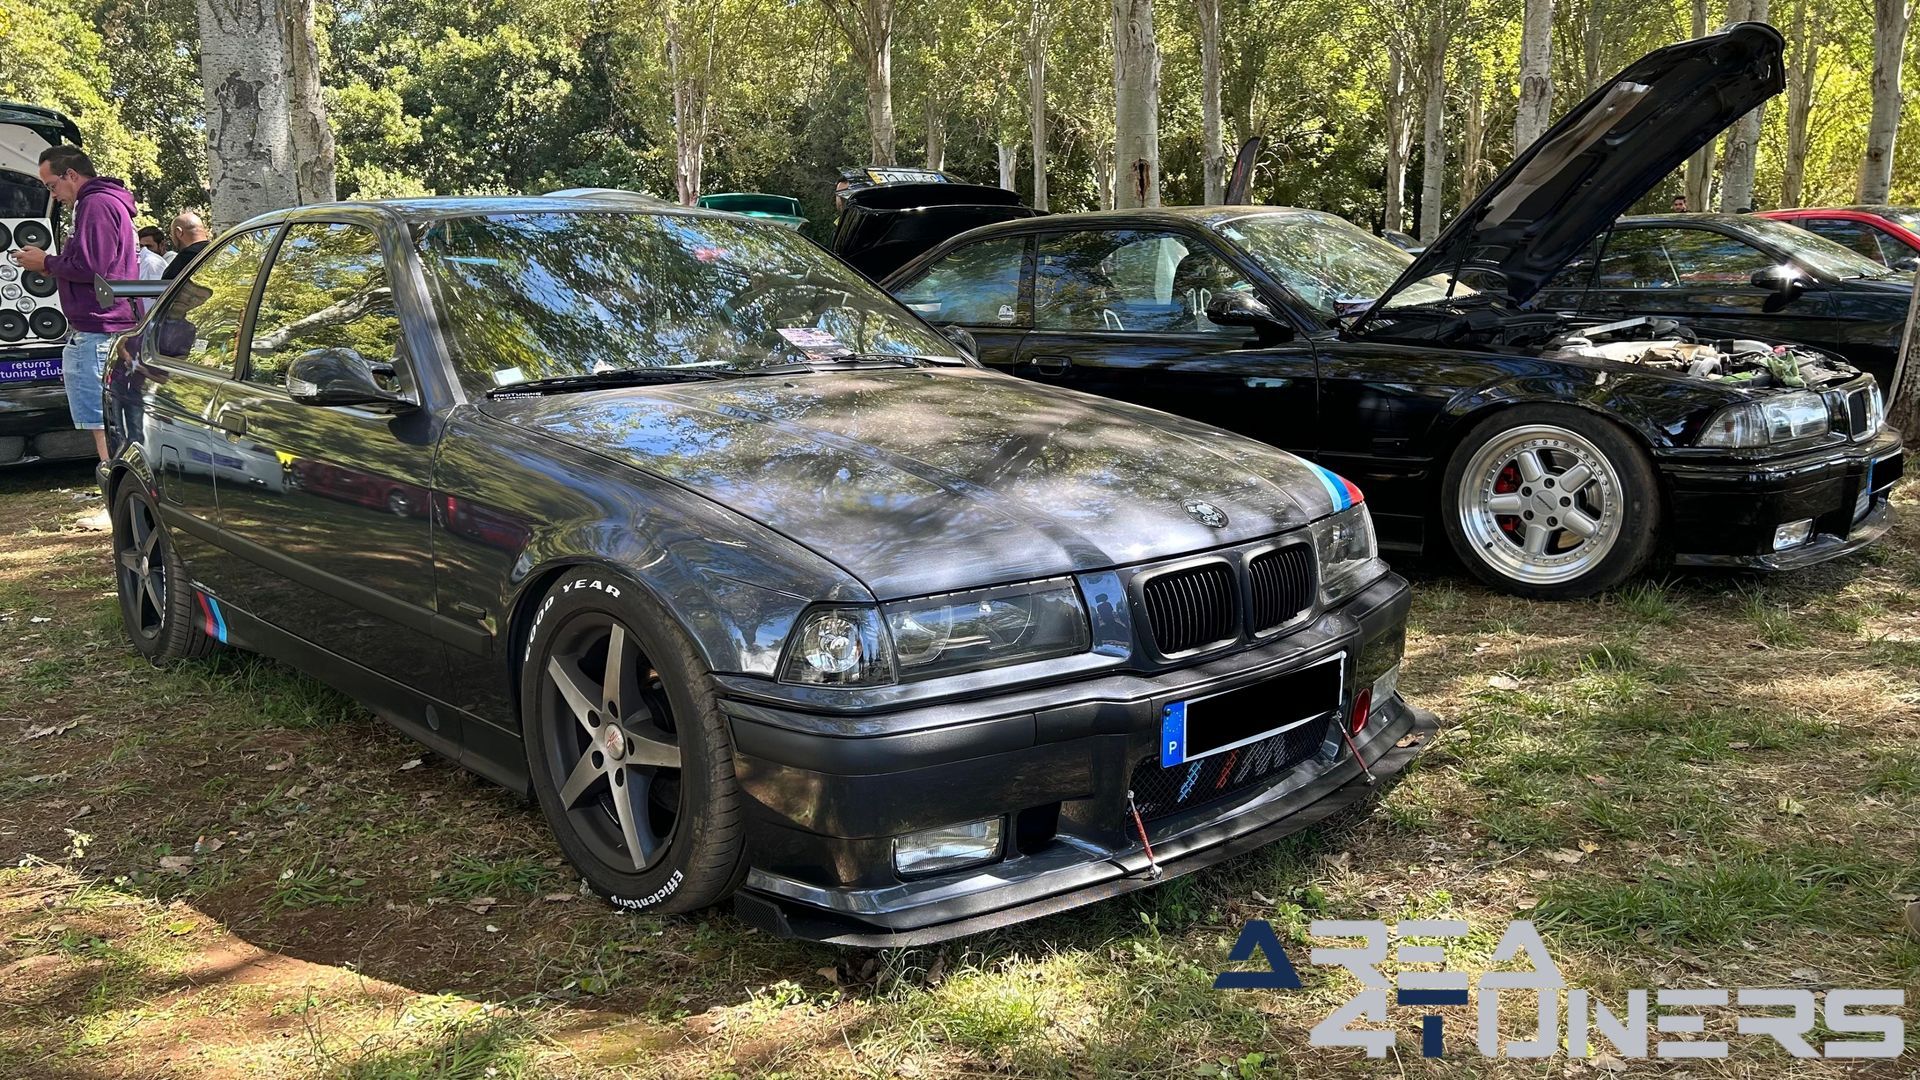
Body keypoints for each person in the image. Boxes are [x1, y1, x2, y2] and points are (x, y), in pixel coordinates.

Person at [15, 145, 137, 467]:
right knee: (116, 424)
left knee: (104, 427)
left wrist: (48, 261)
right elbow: (97, 264)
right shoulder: (105, 202)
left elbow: (93, 266)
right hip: (108, 326)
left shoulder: (94, 203)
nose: (53, 195)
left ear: (71, 174)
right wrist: (51, 265)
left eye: (51, 186)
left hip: (98, 329)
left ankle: (119, 495)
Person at [162, 211, 209, 281]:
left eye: (172, 234)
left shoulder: (184, 258)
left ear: (179, 232)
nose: (172, 238)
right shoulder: (220, 249)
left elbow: (166, 286)